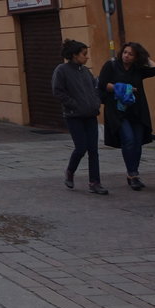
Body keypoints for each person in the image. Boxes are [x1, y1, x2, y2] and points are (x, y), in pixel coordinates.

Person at [97, 41, 155, 190]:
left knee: (138, 142)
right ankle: (132, 174)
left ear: (136, 57)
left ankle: (134, 173)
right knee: (129, 139)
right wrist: (124, 89)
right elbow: (102, 84)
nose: (127, 56)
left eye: (131, 54)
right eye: (125, 52)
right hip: (118, 111)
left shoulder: (137, 69)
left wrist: (145, 57)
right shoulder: (111, 65)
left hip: (137, 111)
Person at [52, 39, 108, 194]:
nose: (87, 57)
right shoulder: (61, 70)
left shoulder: (85, 71)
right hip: (74, 116)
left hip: (90, 114)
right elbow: (58, 91)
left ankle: (95, 182)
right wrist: (73, 104)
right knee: (81, 147)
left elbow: (95, 87)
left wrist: (96, 102)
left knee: (93, 150)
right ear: (74, 55)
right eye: (84, 54)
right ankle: (70, 171)